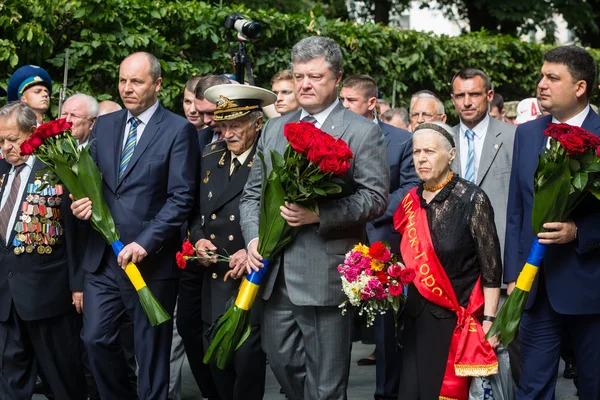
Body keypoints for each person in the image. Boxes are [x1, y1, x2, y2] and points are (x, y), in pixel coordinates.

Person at [240, 36, 389, 400]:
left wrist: (317, 213)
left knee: (327, 380)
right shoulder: (275, 128)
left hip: (325, 274)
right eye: (299, 76)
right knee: (281, 361)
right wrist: (252, 238)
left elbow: (374, 199)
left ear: (337, 78)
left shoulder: (362, 131)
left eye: (315, 77)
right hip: (274, 274)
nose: (304, 84)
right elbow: (251, 195)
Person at [70, 52, 198, 400]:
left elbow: (181, 197)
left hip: (151, 262)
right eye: (123, 80)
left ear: (157, 84)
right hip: (103, 262)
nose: (127, 88)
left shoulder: (178, 130)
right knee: (94, 339)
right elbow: (91, 183)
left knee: (151, 353)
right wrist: (81, 202)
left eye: (136, 81)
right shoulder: (106, 125)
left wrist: (146, 242)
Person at [504, 45, 600, 400]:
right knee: (530, 389)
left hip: (591, 287)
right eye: (542, 75)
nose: (541, 84)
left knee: (593, 386)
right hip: (536, 288)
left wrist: (579, 231)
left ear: (580, 87)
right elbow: (516, 210)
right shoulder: (527, 134)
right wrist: (513, 276)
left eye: (552, 77)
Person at [394, 122, 501, 399]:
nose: (421, 158)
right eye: (417, 152)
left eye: (429, 151)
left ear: (451, 154)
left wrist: (490, 320)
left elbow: (491, 267)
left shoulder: (472, 199)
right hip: (415, 315)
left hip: (453, 318)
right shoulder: (411, 198)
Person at [187, 84, 275, 400]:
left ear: (257, 123)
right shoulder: (210, 157)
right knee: (216, 362)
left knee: (247, 362)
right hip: (214, 277)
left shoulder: (272, 160)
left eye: (235, 125)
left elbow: (279, 217)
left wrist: (251, 246)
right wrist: (197, 241)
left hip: (251, 277)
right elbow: (194, 212)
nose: (227, 134)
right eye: (222, 126)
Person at [341, 74, 419, 400]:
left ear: (371, 102)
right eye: (340, 100)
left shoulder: (401, 140)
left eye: (349, 101)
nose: (342, 106)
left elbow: (410, 189)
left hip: (384, 244)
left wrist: (365, 209)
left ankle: (385, 394)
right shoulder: (332, 136)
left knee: (387, 331)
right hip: (339, 241)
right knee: (337, 329)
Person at [0, 102, 86, 399]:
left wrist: (78, 285)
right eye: (1, 141)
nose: (6, 148)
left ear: (31, 132)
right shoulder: (1, 171)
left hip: (48, 294)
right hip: (7, 298)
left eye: (12, 139)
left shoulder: (55, 168)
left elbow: (76, 234)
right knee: (11, 379)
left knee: (62, 378)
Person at [450, 68, 516, 257]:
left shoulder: (514, 137)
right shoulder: (443, 141)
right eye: (460, 95)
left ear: (489, 95)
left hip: (500, 251)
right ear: (453, 99)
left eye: (474, 94)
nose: (467, 102)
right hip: (455, 257)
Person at [194, 75, 231, 151]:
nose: (205, 120)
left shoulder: (254, 140)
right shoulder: (196, 139)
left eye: (211, 112)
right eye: (200, 113)